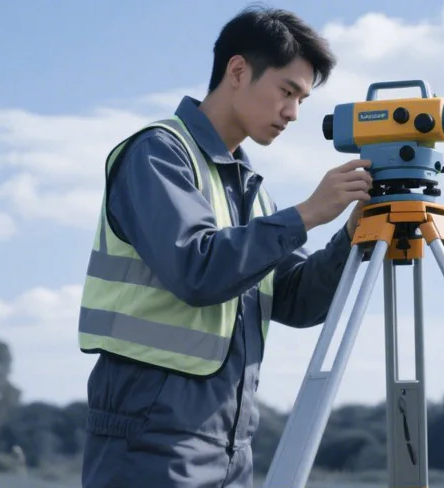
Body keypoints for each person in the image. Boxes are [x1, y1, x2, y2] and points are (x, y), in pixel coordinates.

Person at [75, 5, 371, 488]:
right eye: (287, 91)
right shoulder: (158, 153)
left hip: (231, 441)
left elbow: (297, 299)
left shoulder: (250, 190)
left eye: (302, 100)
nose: (293, 113)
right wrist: (308, 213)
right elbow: (198, 269)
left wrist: (352, 234)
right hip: (150, 435)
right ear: (238, 70)